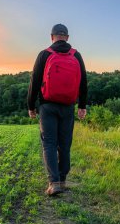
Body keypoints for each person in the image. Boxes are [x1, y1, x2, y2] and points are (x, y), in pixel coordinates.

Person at [27, 23, 88, 196]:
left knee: (49, 144)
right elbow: (83, 82)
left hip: (47, 106)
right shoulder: (76, 55)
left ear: (52, 36)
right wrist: (82, 105)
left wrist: (31, 106)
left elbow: (35, 82)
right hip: (68, 106)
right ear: (67, 37)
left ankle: (54, 183)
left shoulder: (45, 54)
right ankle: (62, 180)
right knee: (65, 144)